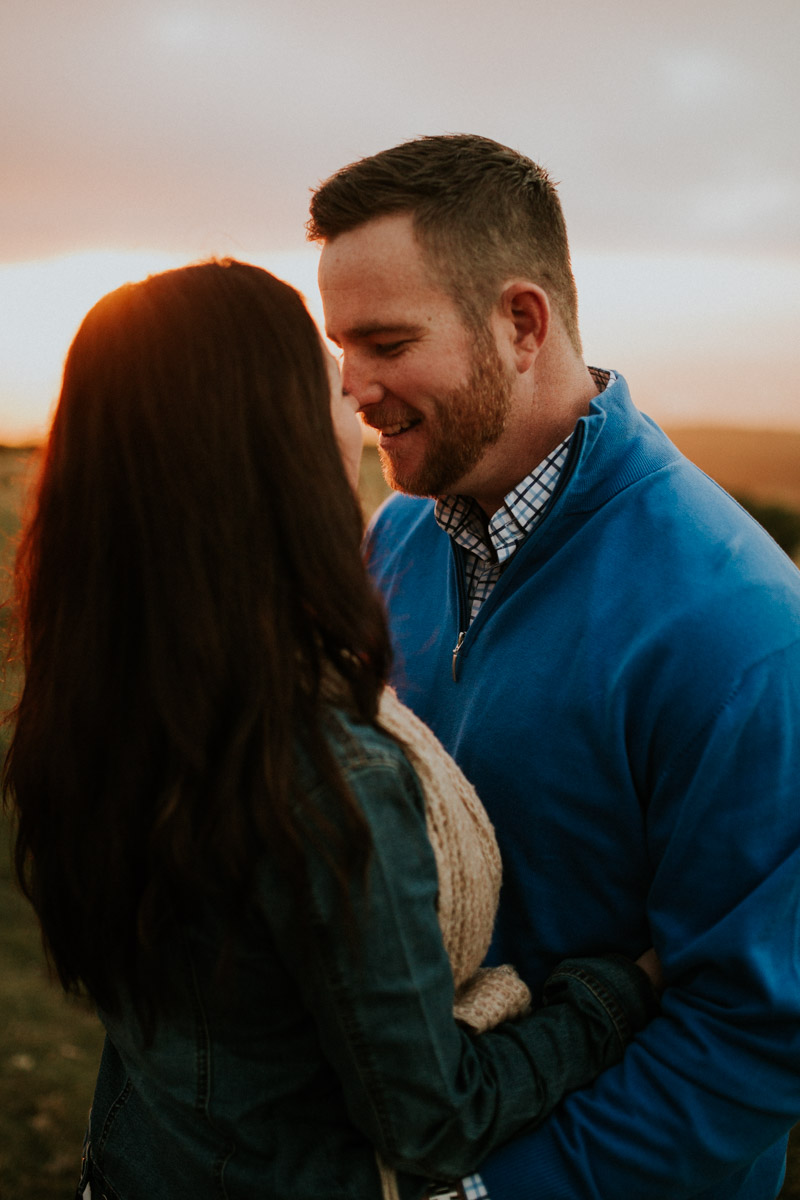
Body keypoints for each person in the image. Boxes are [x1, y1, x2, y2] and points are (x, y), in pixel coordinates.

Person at [2, 259, 658, 1200]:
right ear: (268, 449)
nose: (354, 393)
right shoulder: (323, 771)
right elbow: (433, 1122)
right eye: (325, 381)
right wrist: (613, 994)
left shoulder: (101, 691)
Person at [309, 133, 800, 1200]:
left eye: (386, 343)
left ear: (520, 323)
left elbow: (751, 1035)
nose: (356, 389)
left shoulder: (740, 628)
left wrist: (490, 1195)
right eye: (342, 348)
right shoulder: (394, 537)